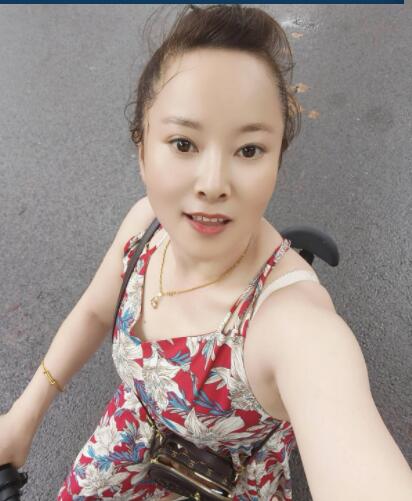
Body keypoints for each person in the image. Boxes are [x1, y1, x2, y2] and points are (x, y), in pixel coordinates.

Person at [0, 4, 410, 501]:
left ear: (278, 159)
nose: (213, 184)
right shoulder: (145, 227)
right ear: (142, 149)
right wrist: (23, 415)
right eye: (183, 143)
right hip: (132, 437)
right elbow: (93, 311)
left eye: (249, 150)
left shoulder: (294, 325)